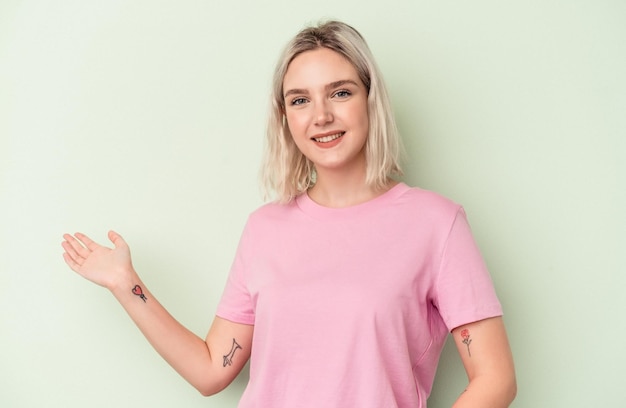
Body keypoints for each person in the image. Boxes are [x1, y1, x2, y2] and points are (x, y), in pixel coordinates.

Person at [62, 20, 516, 408]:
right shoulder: (265, 229)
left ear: (370, 101)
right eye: (300, 100)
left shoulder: (435, 224)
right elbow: (211, 370)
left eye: (339, 92)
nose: (321, 116)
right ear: (285, 118)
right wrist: (127, 284)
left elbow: (495, 380)